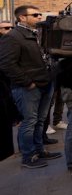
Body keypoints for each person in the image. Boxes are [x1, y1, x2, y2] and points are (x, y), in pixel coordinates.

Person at [0, 5, 61, 169]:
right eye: (35, 15)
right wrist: (28, 82)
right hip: (28, 87)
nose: (39, 17)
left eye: (40, 14)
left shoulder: (38, 34)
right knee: (29, 122)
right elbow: (7, 64)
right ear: (22, 18)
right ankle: (28, 156)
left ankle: (39, 150)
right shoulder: (13, 37)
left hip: (45, 83)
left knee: (40, 121)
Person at [0, 19, 21, 162]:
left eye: (11, 27)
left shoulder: (13, 41)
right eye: (5, 28)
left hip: (7, 87)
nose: (9, 29)